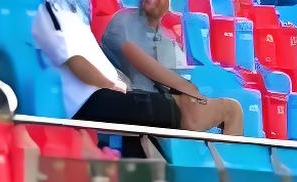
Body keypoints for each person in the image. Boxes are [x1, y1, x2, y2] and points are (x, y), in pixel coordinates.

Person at [31, 1, 182, 157]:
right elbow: (75, 61)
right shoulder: (51, 12)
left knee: (160, 113)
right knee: (170, 109)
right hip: (86, 100)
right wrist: (110, 84)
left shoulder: (77, 12)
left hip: (103, 92)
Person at [100, 0, 244, 135]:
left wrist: (195, 93)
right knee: (231, 109)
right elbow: (143, 63)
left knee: (232, 106)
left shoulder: (167, 39)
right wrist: (190, 90)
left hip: (163, 100)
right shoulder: (123, 21)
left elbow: (180, 75)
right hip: (131, 97)